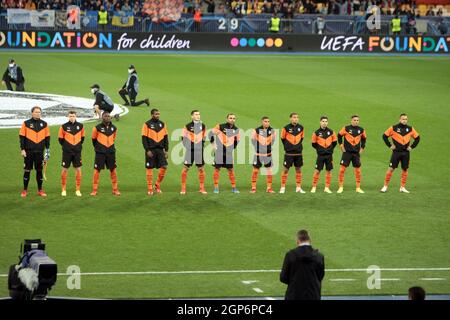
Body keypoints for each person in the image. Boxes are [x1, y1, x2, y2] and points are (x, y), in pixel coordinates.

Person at [280, 230, 325, 300]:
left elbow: (283, 278)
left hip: (294, 295)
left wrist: (295, 281)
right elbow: (320, 276)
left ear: (297, 241)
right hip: (313, 295)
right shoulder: (319, 256)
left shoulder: (290, 255)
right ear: (310, 240)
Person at [381, 114, 420, 193]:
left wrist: (412, 147)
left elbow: (417, 138)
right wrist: (390, 145)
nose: (404, 120)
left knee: (405, 169)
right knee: (391, 169)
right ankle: (385, 186)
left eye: (406, 119)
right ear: (399, 119)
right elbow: (384, 136)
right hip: (396, 152)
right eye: (403, 119)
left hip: (406, 153)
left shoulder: (410, 129)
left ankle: (402, 187)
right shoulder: (393, 128)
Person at [19, 106, 50, 197]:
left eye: (39, 112)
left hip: (40, 152)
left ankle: (40, 190)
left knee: (39, 171)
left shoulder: (44, 124)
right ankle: (25, 190)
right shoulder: (26, 123)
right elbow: (22, 137)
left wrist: (47, 151)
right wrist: (22, 149)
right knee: (27, 170)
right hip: (28, 152)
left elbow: (47, 138)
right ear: (32, 113)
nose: (38, 113)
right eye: (36, 112)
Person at [90, 111, 120, 196]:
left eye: (108, 116)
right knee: (97, 171)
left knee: (113, 170)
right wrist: (99, 148)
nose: (107, 117)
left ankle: (115, 189)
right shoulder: (97, 128)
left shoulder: (114, 128)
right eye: (105, 116)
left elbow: (113, 139)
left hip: (111, 152)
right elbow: (93, 139)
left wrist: (109, 147)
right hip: (100, 153)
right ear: (102, 117)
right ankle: (94, 190)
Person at [209, 114, 240, 194]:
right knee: (217, 169)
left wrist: (232, 147)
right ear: (227, 119)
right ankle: (216, 187)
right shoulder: (220, 126)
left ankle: (234, 187)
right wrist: (213, 144)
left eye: (234, 118)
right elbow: (210, 133)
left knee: (231, 170)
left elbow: (237, 140)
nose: (232, 119)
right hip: (219, 152)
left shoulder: (236, 129)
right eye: (230, 118)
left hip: (228, 153)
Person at [141, 108, 168, 195]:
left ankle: (157, 185)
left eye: (158, 114)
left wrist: (166, 150)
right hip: (151, 150)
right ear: (152, 115)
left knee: (164, 166)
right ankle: (150, 188)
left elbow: (165, 137)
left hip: (160, 150)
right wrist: (147, 150)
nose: (158, 115)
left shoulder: (162, 124)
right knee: (149, 168)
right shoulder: (147, 124)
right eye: (156, 114)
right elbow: (144, 138)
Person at [337, 115, 366, 194]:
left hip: (356, 153)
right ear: (351, 121)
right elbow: (339, 136)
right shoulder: (346, 128)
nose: (356, 121)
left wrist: (362, 148)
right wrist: (341, 146)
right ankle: (340, 187)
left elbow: (364, 139)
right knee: (342, 170)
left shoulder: (361, 130)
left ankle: (358, 188)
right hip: (347, 153)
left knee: (358, 171)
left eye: (357, 120)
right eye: (354, 120)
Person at [180, 110, 207, 195]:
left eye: (199, 114)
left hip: (199, 150)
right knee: (185, 168)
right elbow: (183, 138)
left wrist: (200, 144)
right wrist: (189, 146)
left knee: (201, 169)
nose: (198, 116)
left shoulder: (203, 126)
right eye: (196, 114)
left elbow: (204, 137)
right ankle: (183, 188)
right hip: (190, 150)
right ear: (192, 116)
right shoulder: (187, 126)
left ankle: (202, 188)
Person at [58, 111, 85, 197]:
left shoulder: (80, 126)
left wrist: (76, 146)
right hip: (67, 152)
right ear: (68, 116)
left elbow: (82, 138)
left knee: (78, 169)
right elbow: (60, 139)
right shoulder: (64, 126)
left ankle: (77, 190)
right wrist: (67, 146)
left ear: (76, 116)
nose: (72, 117)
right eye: (70, 116)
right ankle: (63, 189)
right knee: (64, 169)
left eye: (73, 116)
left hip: (77, 152)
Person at [280, 113, 305, 194]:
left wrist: (297, 146)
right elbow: (283, 138)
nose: (296, 119)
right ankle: (282, 187)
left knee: (298, 170)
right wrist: (288, 146)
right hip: (289, 153)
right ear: (290, 118)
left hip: (298, 153)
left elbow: (302, 138)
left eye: (297, 117)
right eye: (294, 117)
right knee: (285, 170)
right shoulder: (286, 128)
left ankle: (298, 187)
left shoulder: (301, 128)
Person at [311, 116, 337, 193]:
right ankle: (314, 187)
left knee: (329, 171)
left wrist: (329, 149)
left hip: (329, 155)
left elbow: (335, 142)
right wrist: (320, 149)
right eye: (323, 121)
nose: (324, 123)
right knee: (317, 171)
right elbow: (313, 144)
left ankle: (327, 187)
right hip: (320, 155)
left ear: (327, 122)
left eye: (326, 121)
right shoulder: (316, 133)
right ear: (320, 122)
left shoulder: (331, 132)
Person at [250, 116, 276, 194]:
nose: (267, 123)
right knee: (255, 171)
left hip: (268, 154)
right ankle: (253, 188)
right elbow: (253, 140)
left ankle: (269, 188)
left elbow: (273, 141)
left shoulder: (272, 131)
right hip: (258, 154)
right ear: (262, 122)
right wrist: (259, 147)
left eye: (268, 121)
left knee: (269, 171)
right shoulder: (256, 130)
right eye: (265, 121)